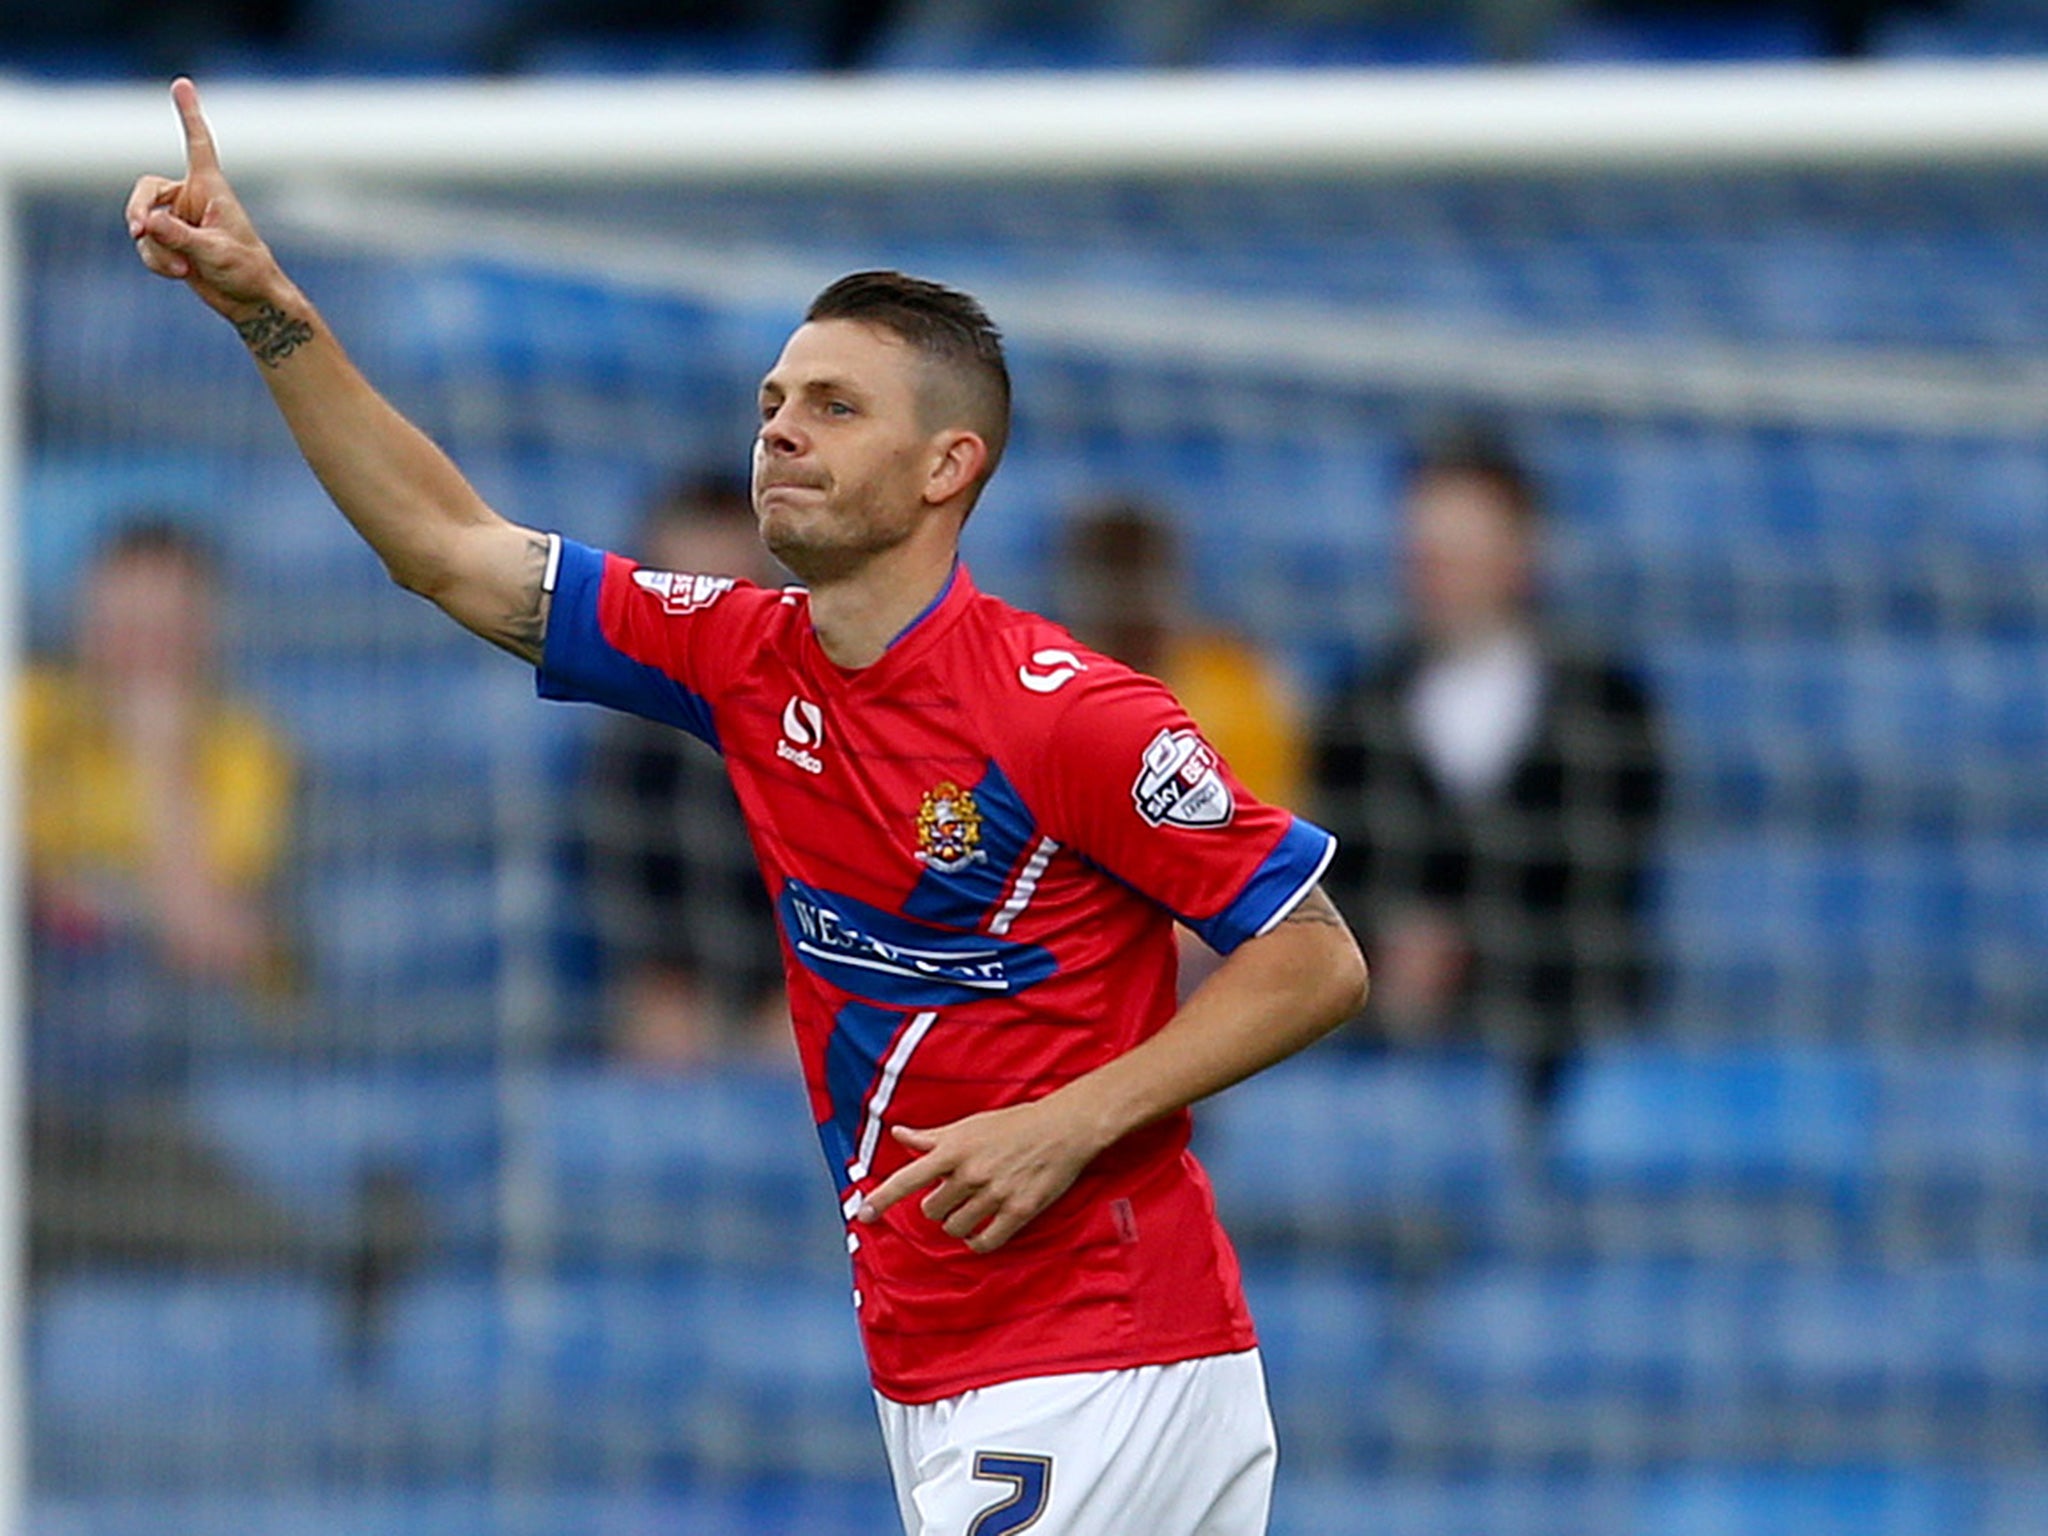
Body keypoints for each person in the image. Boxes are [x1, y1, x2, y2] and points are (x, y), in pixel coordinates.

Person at [129, 79, 1367, 1536]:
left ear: (946, 466)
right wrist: (267, 308)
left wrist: (1064, 1121)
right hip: (940, 1352)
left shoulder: (1067, 710)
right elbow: (452, 550)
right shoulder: (737, 652)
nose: (779, 430)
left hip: (1098, 1345)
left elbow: (1317, 957)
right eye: (773, 402)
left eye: (834, 407)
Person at [1311, 425, 1663, 1112]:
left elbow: (1612, 882)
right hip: (1394, 1047)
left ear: (1518, 557)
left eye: (1460, 551)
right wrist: (1389, 952)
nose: (1437, 573)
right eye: (1425, 553)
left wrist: (1470, 951)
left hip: (1565, 1034)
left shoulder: (1605, 705)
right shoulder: (1360, 707)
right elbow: (1337, 868)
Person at [24, 515, 308, 1271]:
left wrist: (159, 761)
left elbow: (205, 940)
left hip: (162, 1065)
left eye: (160, 631)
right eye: (118, 625)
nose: (134, 652)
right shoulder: (27, 715)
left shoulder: (247, 753)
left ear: (203, 638)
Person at [576, 472, 789, 1069]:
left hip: (799, 965)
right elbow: (621, 878)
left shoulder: (812, 711)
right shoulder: (632, 741)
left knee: (803, 1041)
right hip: (679, 970)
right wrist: (666, 975)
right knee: (666, 1031)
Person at [1054, 496, 1305, 813]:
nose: (1128, 598)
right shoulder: (1041, 690)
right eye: (1112, 574)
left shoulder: (1236, 685)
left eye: (1139, 572)